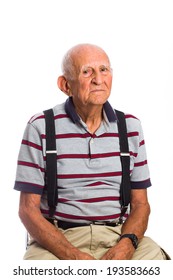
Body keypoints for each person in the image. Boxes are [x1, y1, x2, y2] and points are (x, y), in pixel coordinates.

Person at [14, 43, 169, 260]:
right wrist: (71, 254)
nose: (98, 79)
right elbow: (27, 210)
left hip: (117, 234)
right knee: (39, 271)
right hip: (59, 238)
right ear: (65, 84)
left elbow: (141, 204)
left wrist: (127, 244)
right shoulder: (40, 126)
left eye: (104, 70)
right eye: (87, 72)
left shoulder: (130, 127)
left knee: (157, 263)